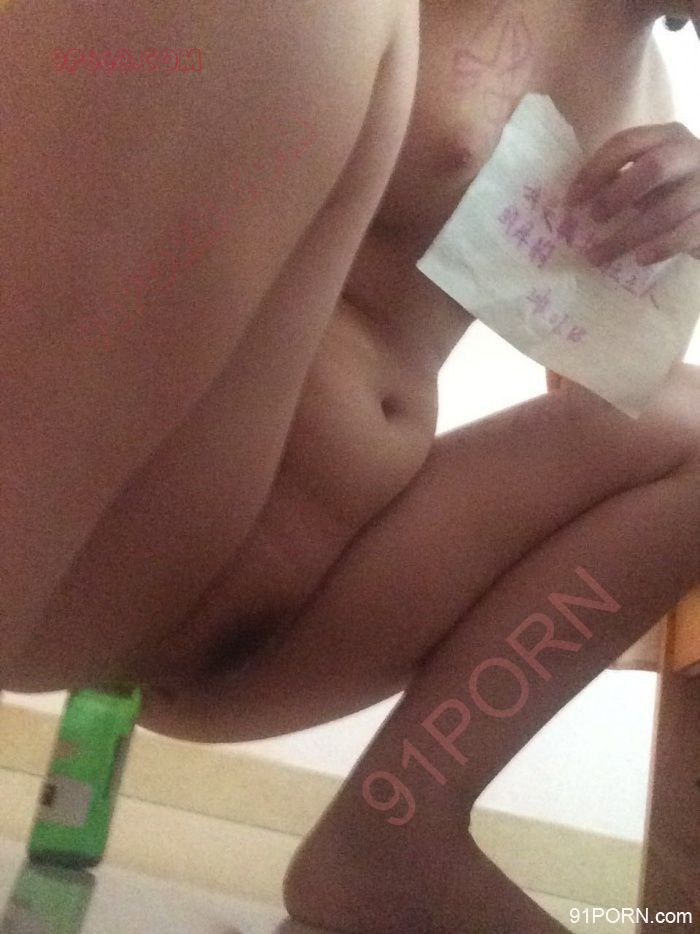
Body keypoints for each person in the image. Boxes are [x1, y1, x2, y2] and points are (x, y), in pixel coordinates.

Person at [2, 0, 699, 930]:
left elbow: (602, 398)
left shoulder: (648, 106)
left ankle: (394, 835)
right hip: (108, 536)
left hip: (304, 619)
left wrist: (676, 230)